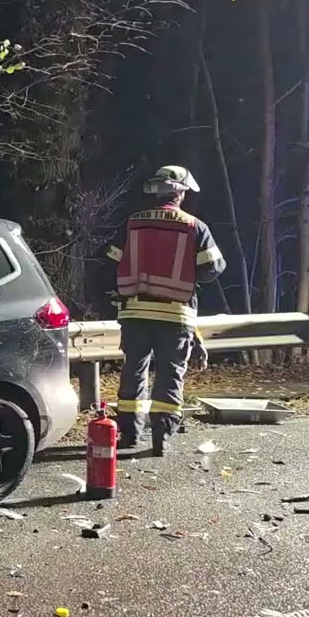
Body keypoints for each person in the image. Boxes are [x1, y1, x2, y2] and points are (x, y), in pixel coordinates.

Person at [105, 165, 226, 456]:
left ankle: (130, 435)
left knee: (133, 372)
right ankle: (161, 437)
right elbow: (213, 268)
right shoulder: (194, 226)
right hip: (175, 316)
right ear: (181, 192)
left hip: (135, 313)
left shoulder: (132, 223)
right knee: (170, 375)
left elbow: (110, 260)